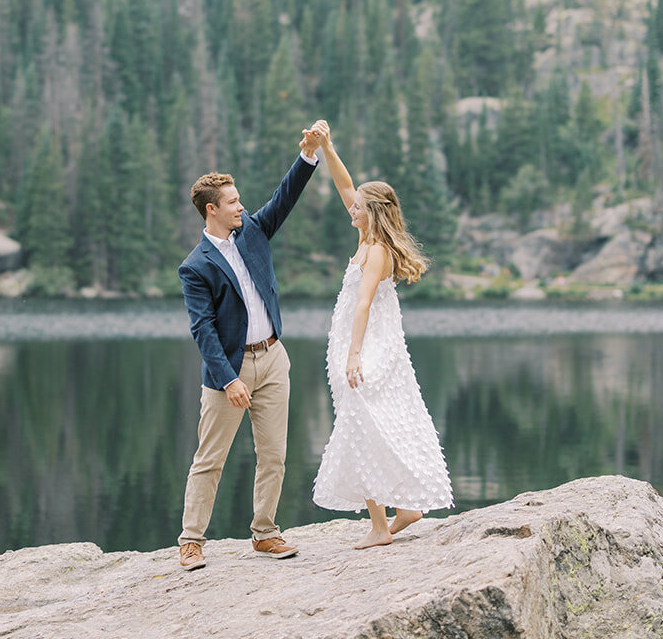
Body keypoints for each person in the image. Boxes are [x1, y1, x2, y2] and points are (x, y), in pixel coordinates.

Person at [176, 125, 322, 571]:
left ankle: (264, 533)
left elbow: (286, 196)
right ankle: (191, 541)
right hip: (230, 371)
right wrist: (229, 378)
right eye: (234, 201)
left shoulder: (254, 231)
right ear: (211, 210)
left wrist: (309, 154)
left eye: (240, 200)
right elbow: (203, 330)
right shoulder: (195, 267)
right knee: (210, 460)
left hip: (274, 357)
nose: (242, 205)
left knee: (274, 454)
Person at [311, 123, 454, 548]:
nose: (350, 209)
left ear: (373, 213)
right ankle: (405, 510)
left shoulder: (375, 251)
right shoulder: (367, 238)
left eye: (357, 208)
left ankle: (379, 528)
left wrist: (354, 355)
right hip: (363, 343)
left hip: (366, 346)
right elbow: (345, 183)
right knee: (372, 422)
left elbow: (364, 304)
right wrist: (328, 147)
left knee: (359, 424)